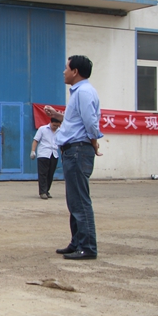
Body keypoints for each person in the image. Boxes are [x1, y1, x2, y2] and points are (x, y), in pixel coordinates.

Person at [45, 55, 103, 260]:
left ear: (75, 71)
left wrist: (93, 143)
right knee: (74, 201)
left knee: (80, 201)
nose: (64, 72)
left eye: (66, 68)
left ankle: (88, 247)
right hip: (73, 150)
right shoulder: (79, 92)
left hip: (78, 150)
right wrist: (57, 115)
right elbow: (75, 121)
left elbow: (90, 123)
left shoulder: (84, 92)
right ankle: (77, 242)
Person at [31, 118, 62, 199]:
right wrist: (33, 151)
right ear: (50, 122)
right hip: (43, 154)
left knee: (50, 174)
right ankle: (42, 192)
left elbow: (61, 144)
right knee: (43, 173)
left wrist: (63, 155)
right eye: (54, 125)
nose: (55, 127)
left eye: (57, 126)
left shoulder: (60, 131)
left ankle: (47, 190)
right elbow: (36, 140)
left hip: (54, 154)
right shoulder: (42, 129)